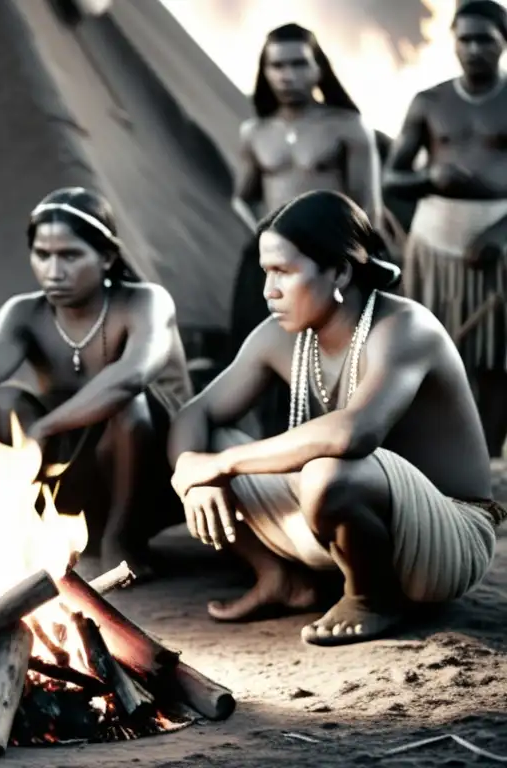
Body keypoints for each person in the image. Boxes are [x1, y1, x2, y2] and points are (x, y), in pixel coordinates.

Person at [167, 190, 503, 647]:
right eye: (266, 272)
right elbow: (196, 412)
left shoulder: (404, 328)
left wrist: (222, 465)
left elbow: (353, 432)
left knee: (327, 473)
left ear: (341, 270)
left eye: (284, 271)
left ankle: (371, 597)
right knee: (205, 444)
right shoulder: (279, 338)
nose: (269, 290)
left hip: (446, 540)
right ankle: (279, 578)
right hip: (339, 514)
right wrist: (195, 475)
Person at [0, 187, 193, 579]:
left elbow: (131, 377)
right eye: (42, 255)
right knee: (3, 401)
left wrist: (46, 426)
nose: (53, 270)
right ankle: (35, 527)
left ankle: (122, 537)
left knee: (128, 404)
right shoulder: (24, 312)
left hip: (156, 471)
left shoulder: (146, 302)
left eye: (70, 255)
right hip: (72, 469)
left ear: (108, 257)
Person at [229, 24, 382, 438]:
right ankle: (273, 451)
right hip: (268, 262)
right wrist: (265, 238)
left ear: (318, 70)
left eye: (298, 64)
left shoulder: (347, 126)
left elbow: (367, 204)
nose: (287, 75)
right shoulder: (255, 132)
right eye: (276, 65)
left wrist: (349, 257)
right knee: (263, 358)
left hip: (330, 261)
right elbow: (241, 197)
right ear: (265, 72)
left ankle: (332, 443)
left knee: (342, 357)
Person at [383, 0, 507, 459]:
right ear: (453, 42)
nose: (474, 49)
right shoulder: (429, 102)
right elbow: (392, 178)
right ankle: (438, 457)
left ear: (503, 43)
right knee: (432, 351)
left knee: (496, 356)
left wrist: (500, 235)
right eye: (466, 39)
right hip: (434, 237)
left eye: (485, 40)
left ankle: (490, 461)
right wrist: (428, 179)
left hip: (498, 237)